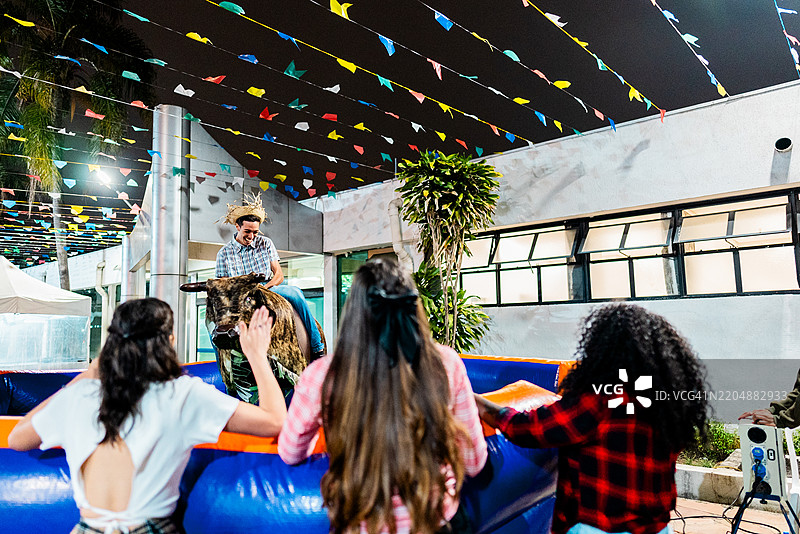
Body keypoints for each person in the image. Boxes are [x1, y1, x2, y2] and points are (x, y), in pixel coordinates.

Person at [8, 298, 286, 534]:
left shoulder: (79, 396)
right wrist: (256, 355)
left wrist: (83, 378)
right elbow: (275, 421)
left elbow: (17, 439)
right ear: (170, 341)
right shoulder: (184, 394)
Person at [278, 258, 488, 534]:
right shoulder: (446, 363)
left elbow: (290, 452)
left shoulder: (322, 375)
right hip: (435, 522)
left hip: (359, 523)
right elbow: (474, 462)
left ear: (354, 312)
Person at [474, 303, 709, 534]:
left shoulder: (601, 398)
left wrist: (484, 407)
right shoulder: (668, 403)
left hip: (598, 526)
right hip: (656, 527)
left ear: (603, 349)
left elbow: (534, 429)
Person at [215, 194, 325, 360]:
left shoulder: (266, 243)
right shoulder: (223, 253)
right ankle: (224, 366)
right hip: (240, 295)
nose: (251, 236)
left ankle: (317, 346)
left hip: (269, 287)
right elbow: (222, 286)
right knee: (215, 326)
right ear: (237, 226)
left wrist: (264, 288)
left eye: (255, 232)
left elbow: (279, 275)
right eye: (247, 231)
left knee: (295, 293)